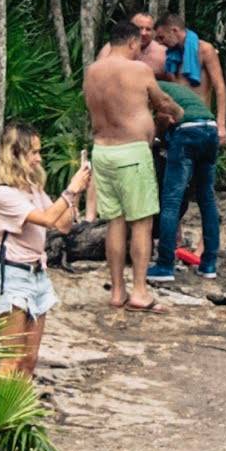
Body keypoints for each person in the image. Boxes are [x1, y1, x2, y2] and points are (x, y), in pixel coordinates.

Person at [81, 21, 167, 311]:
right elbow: (161, 101)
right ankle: (140, 291)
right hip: (132, 153)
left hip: (102, 152)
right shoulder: (139, 70)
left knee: (115, 222)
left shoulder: (92, 72)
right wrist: (177, 111)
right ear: (132, 43)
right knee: (141, 222)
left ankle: (117, 291)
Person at [0, 127, 60, 378]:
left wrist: (76, 195)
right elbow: (47, 219)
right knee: (11, 359)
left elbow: (63, 223)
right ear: (16, 154)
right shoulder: (2, 194)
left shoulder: (33, 189)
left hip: (38, 275)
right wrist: (70, 190)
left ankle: (19, 412)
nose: (39, 158)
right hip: (13, 277)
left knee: (30, 359)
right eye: (34, 152)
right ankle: (1, 415)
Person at [148, 8, 226, 282]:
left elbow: (219, 87)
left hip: (193, 126)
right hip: (192, 127)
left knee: (171, 199)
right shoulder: (170, 60)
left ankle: (165, 265)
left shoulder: (204, 50)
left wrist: (222, 123)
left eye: (161, 37)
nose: (160, 43)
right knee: (201, 197)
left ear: (174, 30)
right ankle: (208, 264)